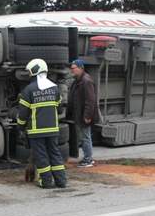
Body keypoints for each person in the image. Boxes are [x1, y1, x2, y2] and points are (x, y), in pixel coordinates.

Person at [17, 59, 66, 188]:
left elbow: (23, 114)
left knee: (42, 156)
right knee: (55, 154)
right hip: (53, 130)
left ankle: (46, 182)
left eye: (29, 72)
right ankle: (61, 181)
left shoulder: (28, 90)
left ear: (34, 71)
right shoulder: (54, 88)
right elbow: (60, 109)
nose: (28, 74)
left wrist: (20, 127)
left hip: (36, 131)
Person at [67, 59, 100, 168]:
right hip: (79, 114)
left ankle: (88, 159)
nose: (71, 70)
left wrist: (87, 116)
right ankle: (87, 158)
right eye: (71, 68)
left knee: (85, 137)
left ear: (81, 68)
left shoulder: (86, 81)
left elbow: (90, 100)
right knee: (84, 137)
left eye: (73, 68)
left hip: (84, 116)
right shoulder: (78, 80)